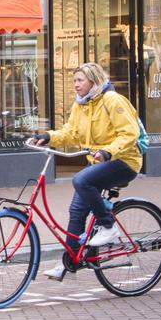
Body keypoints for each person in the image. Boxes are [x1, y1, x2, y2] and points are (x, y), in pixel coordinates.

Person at [31, 62, 141, 281]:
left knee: (81, 180)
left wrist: (108, 152)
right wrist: (49, 137)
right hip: (99, 162)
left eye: (80, 80)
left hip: (124, 160)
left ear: (93, 80)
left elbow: (130, 133)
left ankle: (108, 226)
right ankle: (69, 264)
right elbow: (71, 133)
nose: (76, 85)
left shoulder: (112, 100)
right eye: (74, 81)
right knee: (76, 212)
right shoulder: (80, 105)